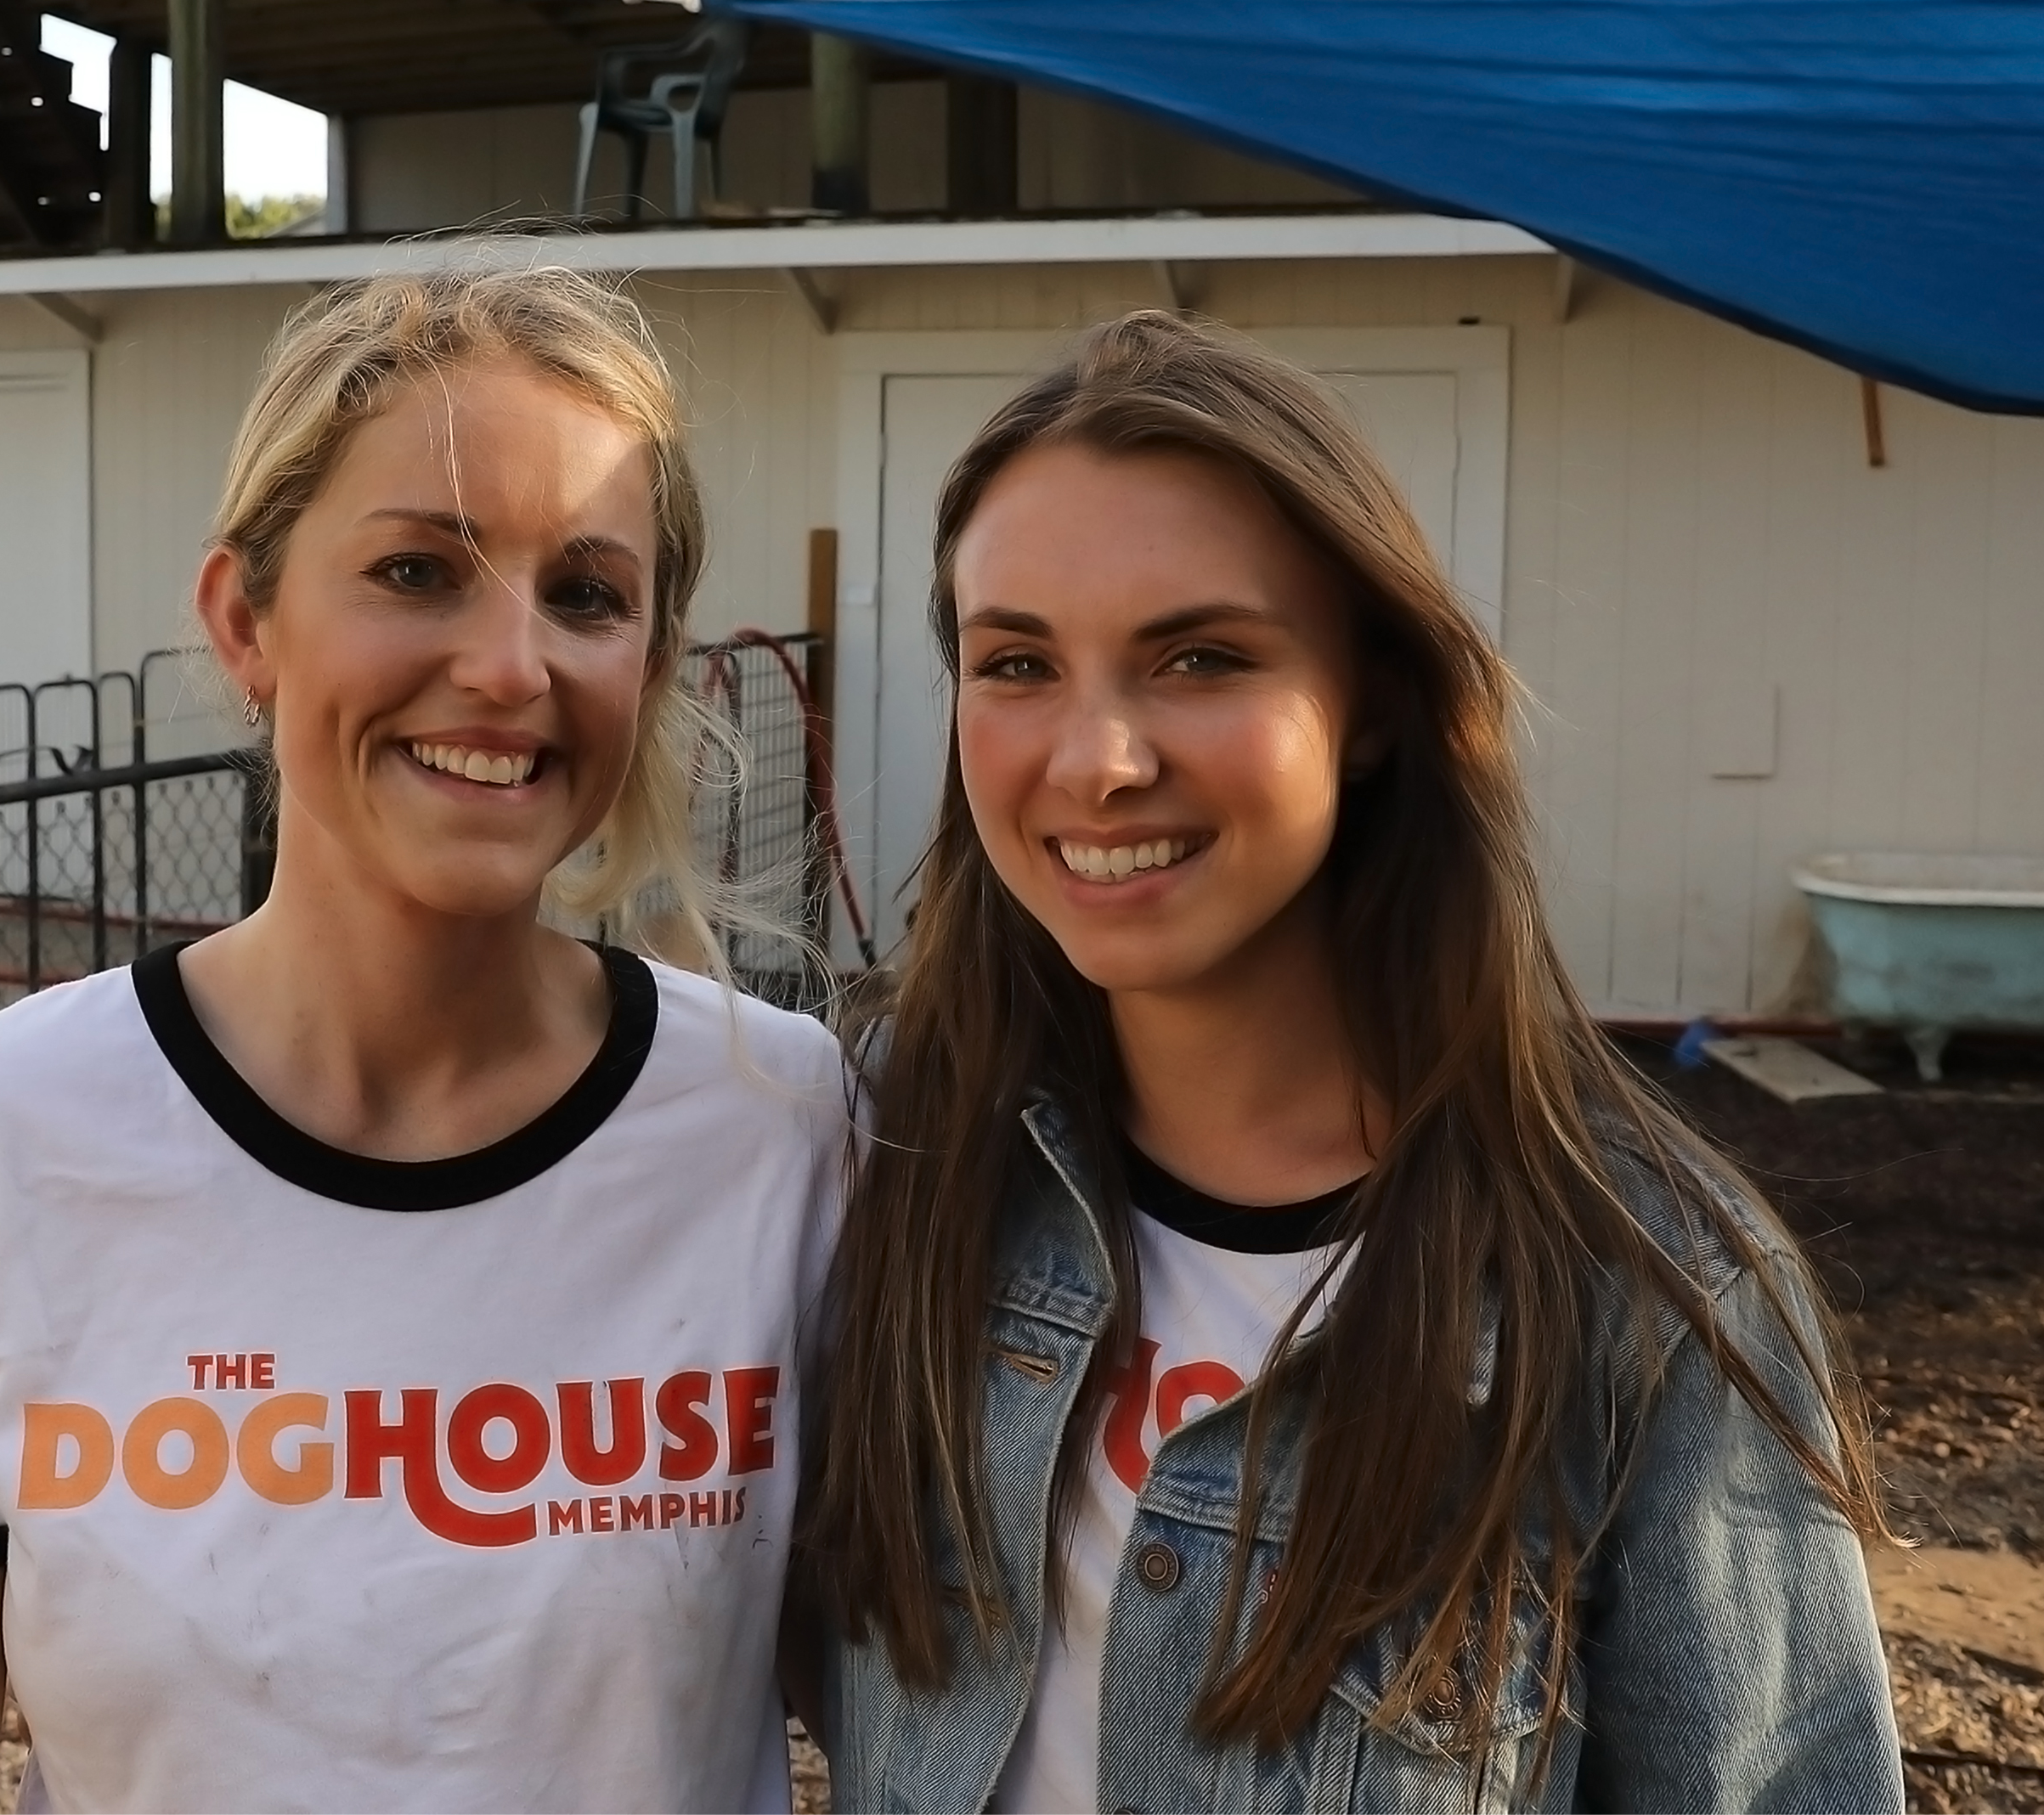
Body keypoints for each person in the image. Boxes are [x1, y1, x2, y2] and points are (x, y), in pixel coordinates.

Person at [0, 265, 844, 1812]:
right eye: (419, 571)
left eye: (588, 594)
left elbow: (963, 1696)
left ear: (652, 666)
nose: (508, 665)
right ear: (245, 620)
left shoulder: (783, 1120)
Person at [804, 312, 1901, 1813]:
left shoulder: (1653, 1297)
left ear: (1374, 705)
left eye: (1199, 655)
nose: (1097, 758)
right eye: (1017, 662)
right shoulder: (878, 1154)